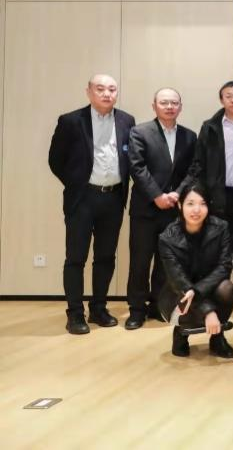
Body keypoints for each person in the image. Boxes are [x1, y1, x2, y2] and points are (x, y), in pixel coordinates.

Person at [48, 74, 136, 334]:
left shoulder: (126, 120)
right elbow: (55, 160)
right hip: (82, 199)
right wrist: (76, 183)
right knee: (76, 258)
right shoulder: (71, 121)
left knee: (106, 257)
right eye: (100, 89)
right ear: (89, 92)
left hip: (113, 198)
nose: (107, 93)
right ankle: (75, 313)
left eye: (112, 89)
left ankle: (98, 308)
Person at [126, 88, 197, 330]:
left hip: (174, 209)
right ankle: (136, 310)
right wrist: (156, 195)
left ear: (180, 106)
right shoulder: (139, 132)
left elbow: (193, 170)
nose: (169, 107)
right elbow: (137, 167)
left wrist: (178, 193)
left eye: (174, 103)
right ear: (154, 105)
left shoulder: (189, 136)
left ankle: (158, 305)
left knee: (166, 262)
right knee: (139, 261)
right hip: (145, 209)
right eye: (164, 102)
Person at [181, 80, 233, 267]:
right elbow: (199, 164)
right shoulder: (210, 127)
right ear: (221, 100)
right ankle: (219, 286)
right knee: (216, 252)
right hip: (216, 198)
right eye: (228, 96)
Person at [157, 184, 233, 359]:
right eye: (190, 203)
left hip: (209, 289)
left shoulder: (221, 228)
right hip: (178, 295)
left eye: (202, 203)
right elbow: (179, 281)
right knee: (185, 297)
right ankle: (181, 334)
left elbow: (224, 266)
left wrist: (198, 290)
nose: (196, 210)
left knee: (227, 289)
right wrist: (208, 311)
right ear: (180, 205)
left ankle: (217, 337)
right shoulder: (167, 238)